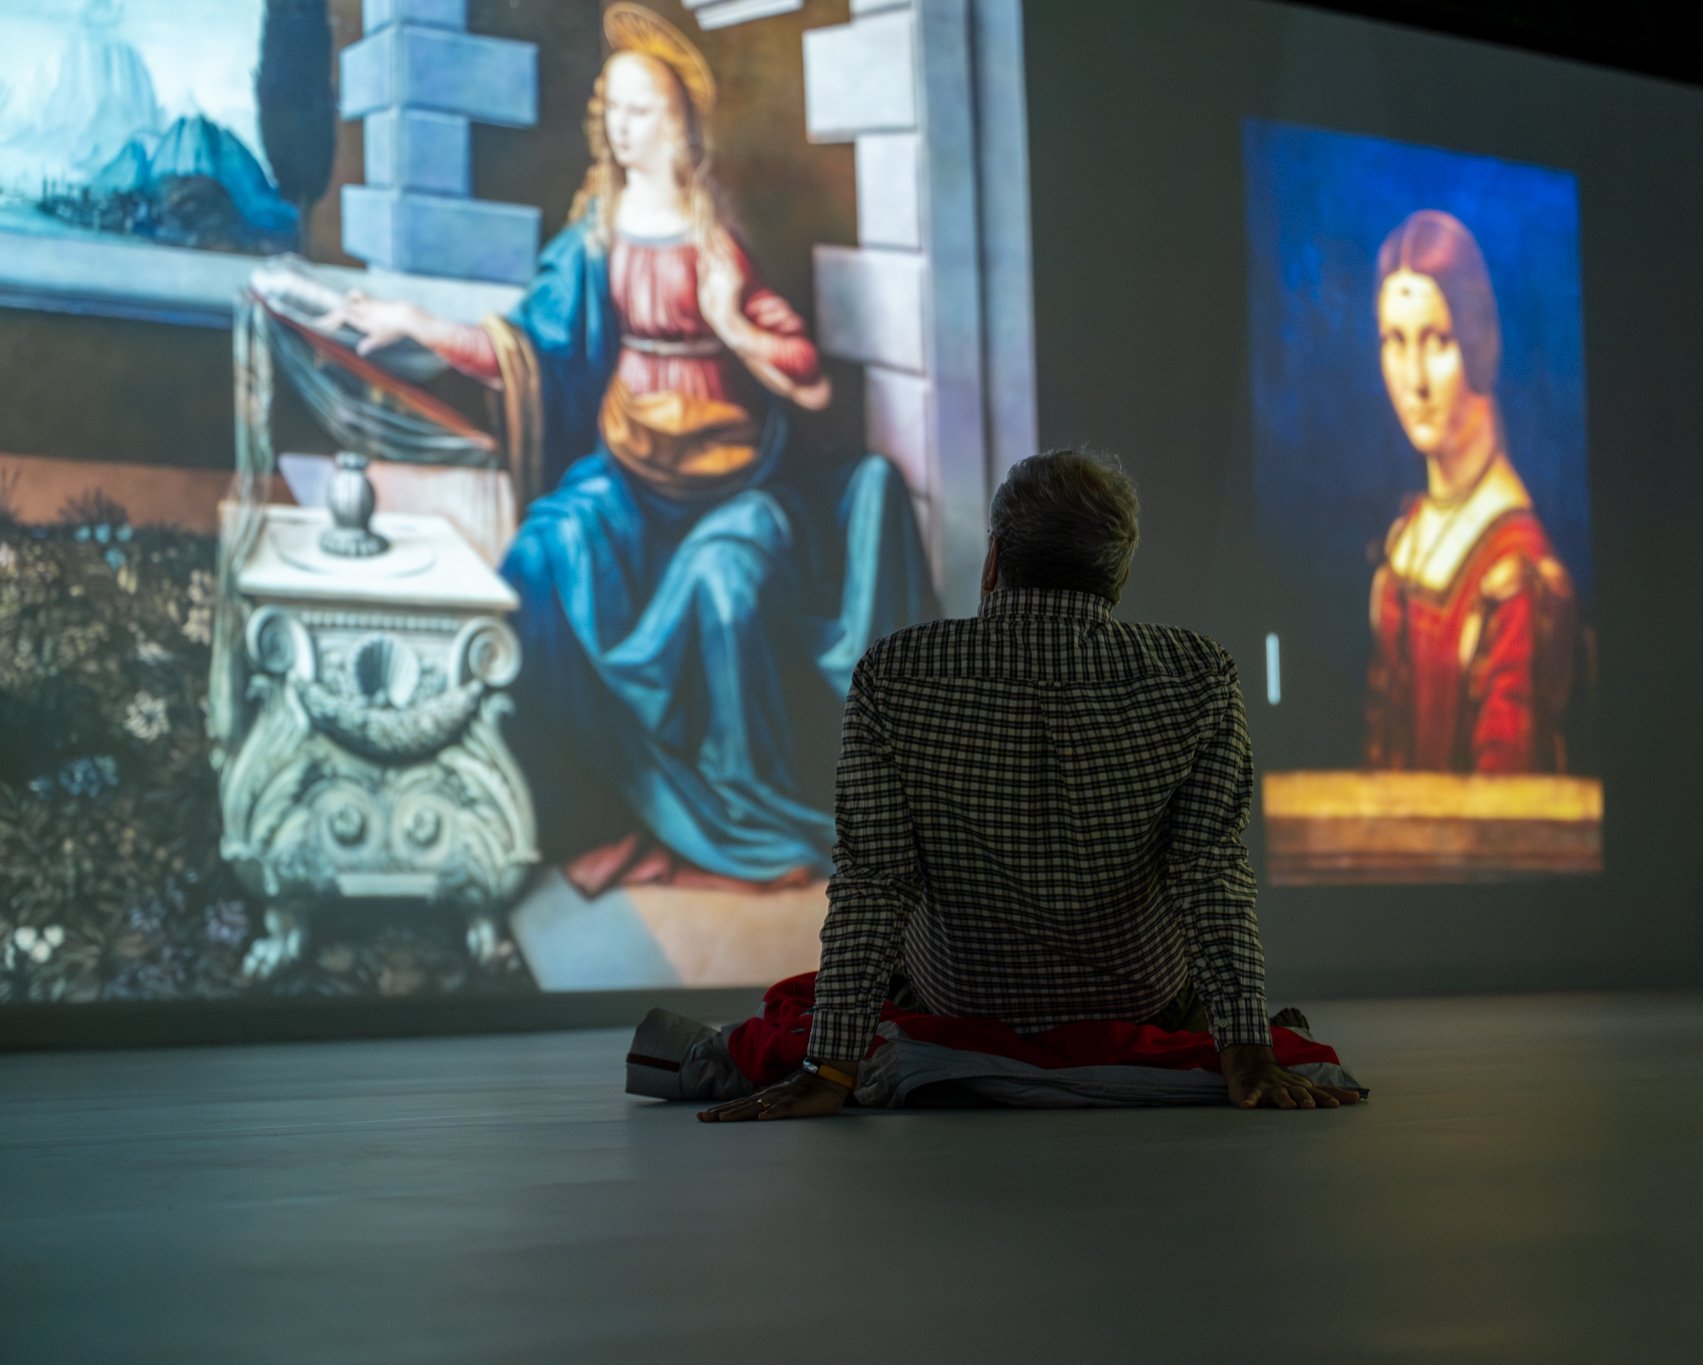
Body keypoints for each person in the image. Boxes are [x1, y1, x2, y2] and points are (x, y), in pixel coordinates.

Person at [324, 4, 932, 893]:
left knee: (731, 588)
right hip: (628, 477)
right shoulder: (596, 236)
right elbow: (522, 344)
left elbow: (808, 379)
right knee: (541, 556)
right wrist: (412, 322)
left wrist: (730, 324)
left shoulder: (714, 241)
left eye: (641, 108)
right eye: (613, 107)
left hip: (734, 488)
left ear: (681, 120)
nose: (622, 123)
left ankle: (739, 815)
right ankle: (592, 813)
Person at [695, 451, 1363, 1118]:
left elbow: (876, 882)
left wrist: (827, 1065)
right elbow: (1209, 877)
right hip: (1139, 1001)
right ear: (1119, 571)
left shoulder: (894, 674)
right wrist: (1246, 1048)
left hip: (961, 1002)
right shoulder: (1199, 675)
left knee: (875, 957)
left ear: (993, 560)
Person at [1365, 210, 1576, 774]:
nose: (1414, 380)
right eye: (1394, 341)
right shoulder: (1408, 537)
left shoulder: (1516, 568)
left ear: (1478, 341)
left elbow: (1503, 806)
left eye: (1437, 340)